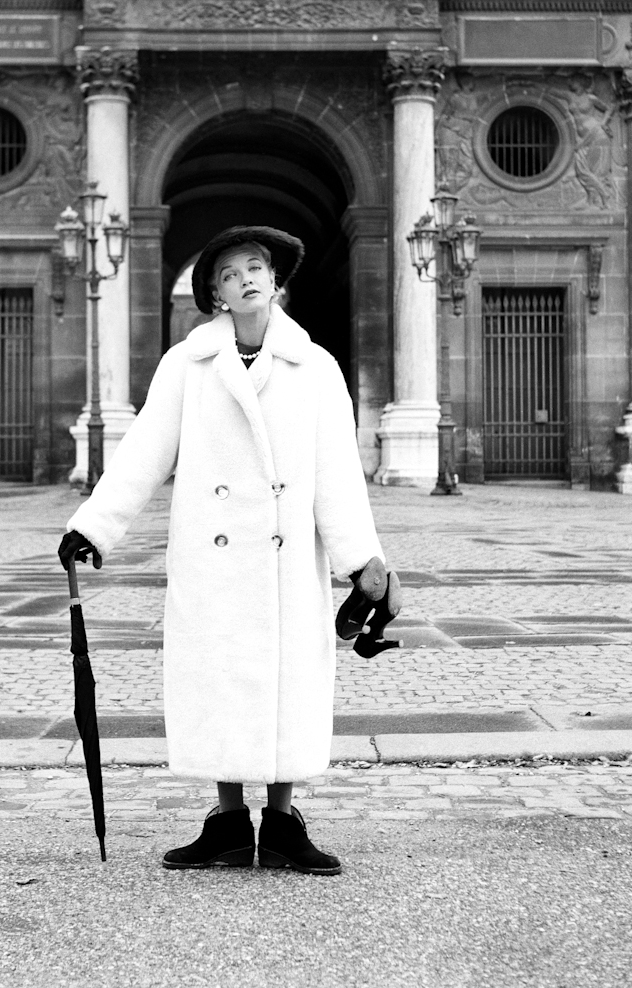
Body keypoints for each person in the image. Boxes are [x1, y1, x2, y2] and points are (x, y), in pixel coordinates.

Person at [59, 226, 401, 875]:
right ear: (215, 294)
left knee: (286, 681)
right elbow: (145, 450)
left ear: (276, 282)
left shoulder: (316, 368)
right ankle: (223, 820)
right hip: (210, 562)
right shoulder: (186, 366)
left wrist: (362, 561)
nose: (246, 278)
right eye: (230, 272)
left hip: (285, 562)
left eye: (257, 267)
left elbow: (337, 472)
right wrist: (94, 526)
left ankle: (280, 820)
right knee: (218, 678)